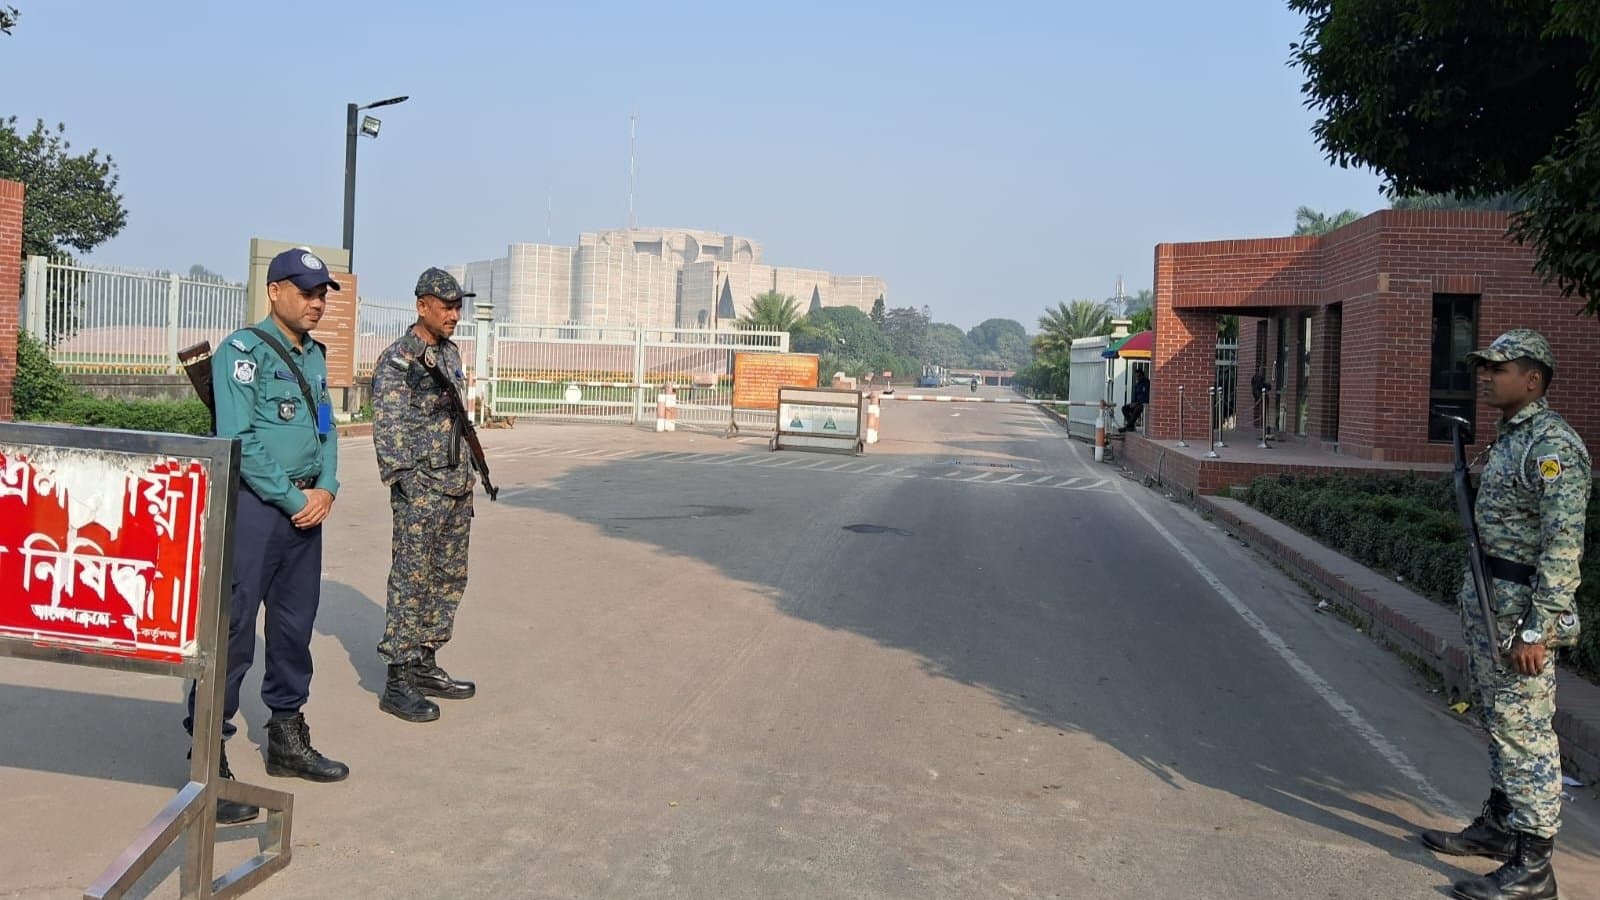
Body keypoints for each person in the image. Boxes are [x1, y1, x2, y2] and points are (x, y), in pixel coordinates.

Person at [1420, 329, 1589, 900]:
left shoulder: (1551, 447)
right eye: (1483, 368)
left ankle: (1535, 867)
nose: (1485, 377)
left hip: (1522, 615)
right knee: (1498, 721)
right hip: (1493, 604)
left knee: (1525, 733)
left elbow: (1563, 547)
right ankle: (1500, 826)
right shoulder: (1509, 438)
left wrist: (1537, 627)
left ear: (1533, 378)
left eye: (1499, 368)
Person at [184, 248, 350, 825]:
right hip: (257, 509)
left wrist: (327, 486)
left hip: (308, 508)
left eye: (322, 292)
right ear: (274, 291)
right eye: (305, 291)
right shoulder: (242, 352)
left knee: (293, 627)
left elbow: (327, 425)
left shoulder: (315, 357)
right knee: (231, 632)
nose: (316, 302)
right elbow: (240, 438)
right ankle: (208, 757)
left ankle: (286, 737)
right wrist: (294, 497)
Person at [371, 267, 481, 723]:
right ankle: (398, 677)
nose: (455, 314)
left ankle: (425, 661)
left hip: (456, 485)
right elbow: (389, 428)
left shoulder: (449, 353)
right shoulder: (400, 359)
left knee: (449, 577)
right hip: (423, 491)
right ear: (422, 306)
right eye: (447, 305)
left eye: (458, 306)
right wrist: (409, 486)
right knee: (411, 580)